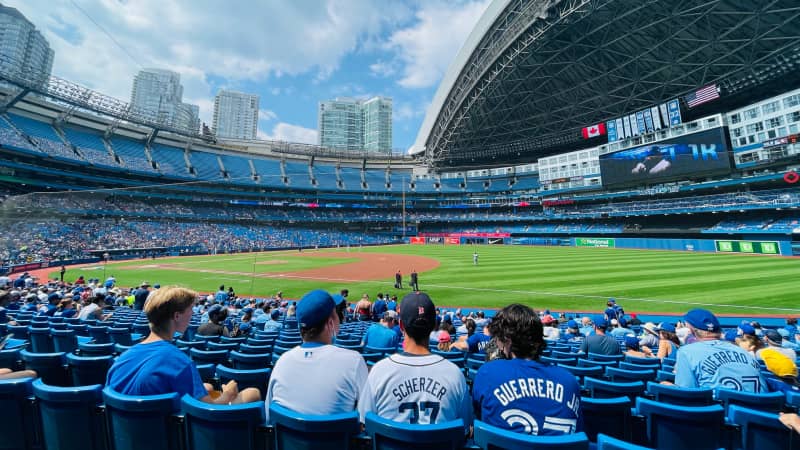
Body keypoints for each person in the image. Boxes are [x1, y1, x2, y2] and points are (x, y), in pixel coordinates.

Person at [106, 286, 260, 404]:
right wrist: (228, 394)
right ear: (177, 316)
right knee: (253, 393)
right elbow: (207, 410)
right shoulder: (179, 362)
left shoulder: (120, 360)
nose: (193, 313)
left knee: (207, 387)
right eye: (190, 309)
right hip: (172, 434)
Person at [358, 292, 471, 432]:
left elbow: (364, 425)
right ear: (432, 326)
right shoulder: (455, 375)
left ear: (400, 325)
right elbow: (465, 429)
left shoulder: (379, 371)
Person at [472, 304, 582, 436]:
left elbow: (479, 421)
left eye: (499, 339)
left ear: (507, 340)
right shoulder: (569, 381)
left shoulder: (488, 373)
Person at [265, 289, 367, 421]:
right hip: (336, 441)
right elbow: (366, 420)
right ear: (330, 323)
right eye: (336, 314)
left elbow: (269, 418)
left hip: (289, 441)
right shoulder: (354, 361)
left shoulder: (282, 362)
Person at [672, 308, 765, 392]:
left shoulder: (686, 352)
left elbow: (687, 394)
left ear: (691, 330)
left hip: (721, 409)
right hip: (760, 409)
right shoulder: (745, 352)